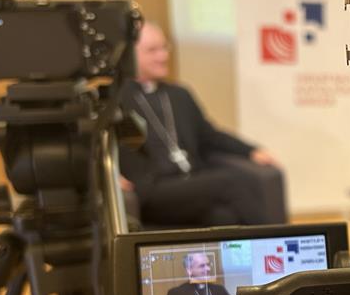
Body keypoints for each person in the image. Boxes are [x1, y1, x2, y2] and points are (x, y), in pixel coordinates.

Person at [118, 22, 287, 227]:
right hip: (153, 189)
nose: (163, 56)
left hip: (190, 181)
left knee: (223, 217)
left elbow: (210, 136)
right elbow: (93, 147)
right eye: (152, 50)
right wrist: (109, 176)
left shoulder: (179, 94)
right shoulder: (117, 98)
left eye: (164, 47)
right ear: (129, 55)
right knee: (230, 181)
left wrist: (251, 151)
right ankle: (276, 239)